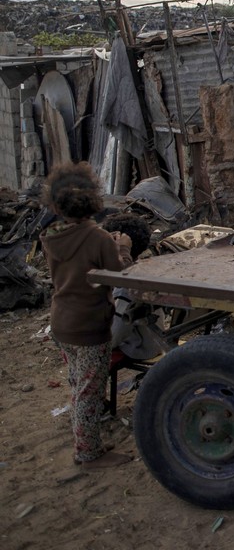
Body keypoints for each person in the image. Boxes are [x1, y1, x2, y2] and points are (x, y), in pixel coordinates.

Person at [40, 161, 134, 469]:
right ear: (93, 200)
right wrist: (124, 248)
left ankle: (87, 440)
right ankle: (88, 454)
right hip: (90, 325)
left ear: (56, 203)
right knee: (90, 392)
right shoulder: (98, 238)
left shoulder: (51, 236)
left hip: (62, 323)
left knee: (79, 384)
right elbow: (119, 275)